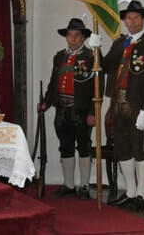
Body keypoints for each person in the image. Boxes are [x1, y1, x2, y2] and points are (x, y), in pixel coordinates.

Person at [89, 0, 144, 211]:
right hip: (117, 105)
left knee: (139, 150)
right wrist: (96, 49)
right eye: (129, 18)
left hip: (137, 106)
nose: (132, 21)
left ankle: (140, 195)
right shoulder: (119, 44)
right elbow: (104, 67)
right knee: (122, 150)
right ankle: (129, 192)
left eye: (136, 17)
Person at [39, 18, 96, 200]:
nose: (72, 39)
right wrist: (46, 103)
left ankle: (85, 186)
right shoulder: (59, 57)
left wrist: (92, 113)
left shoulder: (91, 57)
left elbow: (97, 88)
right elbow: (53, 83)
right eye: (70, 35)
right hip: (62, 109)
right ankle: (69, 185)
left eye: (77, 35)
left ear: (83, 37)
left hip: (82, 109)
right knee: (65, 146)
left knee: (84, 146)